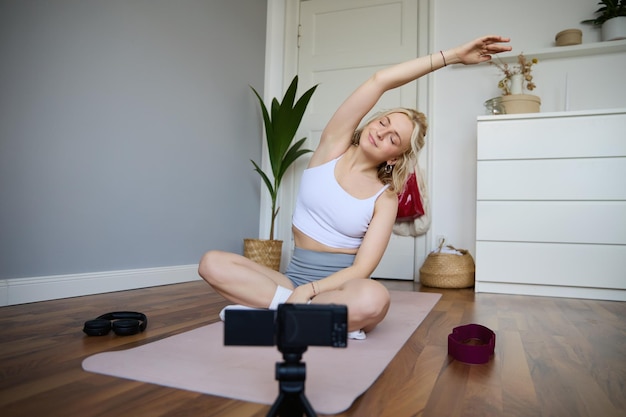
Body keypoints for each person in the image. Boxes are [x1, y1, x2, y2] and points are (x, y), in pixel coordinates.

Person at [198, 35, 512, 338]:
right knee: (212, 263)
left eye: (394, 138)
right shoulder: (331, 146)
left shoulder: (385, 198)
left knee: (374, 299)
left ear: (396, 157)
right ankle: (298, 317)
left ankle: (278, 313)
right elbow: (379, 81)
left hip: (336, 289)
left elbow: (362, 268)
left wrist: (311, 290)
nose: (382, 132)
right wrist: (454, 55)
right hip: (288, 281)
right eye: (384, 122)